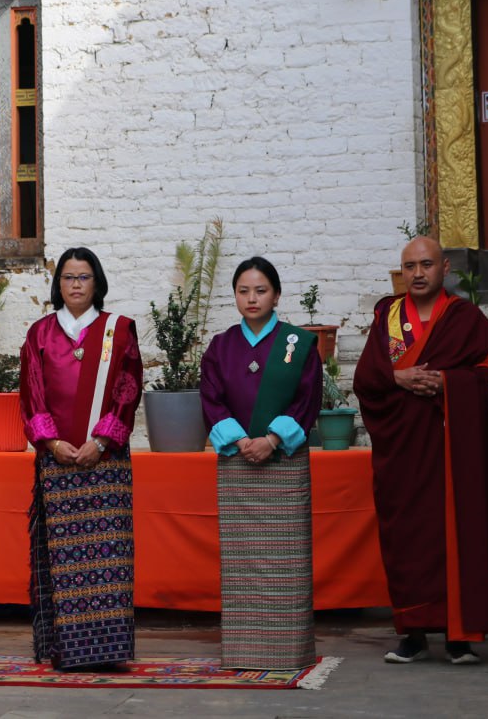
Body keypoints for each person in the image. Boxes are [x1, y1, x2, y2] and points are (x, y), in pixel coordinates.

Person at [353, 236, 488, 665]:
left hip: (452, 453)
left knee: (458, 536)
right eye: (409, 267)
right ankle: (413, 633)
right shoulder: (388, 316)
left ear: (445, 268)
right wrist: (396, 377)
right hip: (403, 454)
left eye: (426, 265)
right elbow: (366, 378)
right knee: (408, 541)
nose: (417, 273)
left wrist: (449, 384)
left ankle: (460, 636)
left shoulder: (465, 318)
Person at [20, 247, 143, 670]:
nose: (75, 284)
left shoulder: (119, 331)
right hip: (58, 462)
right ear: (58, 285)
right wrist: (52, 444)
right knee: (63, 559)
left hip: (104, 463)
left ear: (97, 283)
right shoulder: (40, 334)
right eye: (68, 277)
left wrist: (102, 441)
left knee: (108, 557)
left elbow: (128, 391)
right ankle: (67, 650)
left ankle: (108, 651)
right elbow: (32, 395)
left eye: (84, 277)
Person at [199, 256, 322, 670]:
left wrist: (271, 440)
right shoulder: (221, 346)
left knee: (285, 564)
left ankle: (289, 652)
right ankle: (243, 651)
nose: (252, 298)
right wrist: (239, 439)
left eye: (261, 290)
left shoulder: (297, 344)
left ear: (277, 295)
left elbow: (308, 398)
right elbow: (211, 399)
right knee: (243, 563)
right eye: (243, 290)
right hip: (238, 462)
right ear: (235, 296)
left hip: (282, 462)